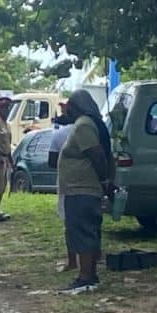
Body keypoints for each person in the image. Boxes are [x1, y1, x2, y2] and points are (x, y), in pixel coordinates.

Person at [57, 90, 114, 294]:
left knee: (82, 232)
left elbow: (97, 154)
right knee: (85, 231)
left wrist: (104, 180)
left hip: (82, 189)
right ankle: (88, 274)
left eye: (69, 106)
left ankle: (86, 276)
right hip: (80, 188)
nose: (67, 111)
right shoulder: (90, 124)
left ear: (77, 107)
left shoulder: (83, 125)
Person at [48, 108, 76, 272]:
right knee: (91, 221)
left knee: (69, 221)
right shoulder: (91, 129)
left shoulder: (58, 135)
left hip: (66, 180)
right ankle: (94, 256)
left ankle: (72, 260)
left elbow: (51, 162)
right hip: (89, 180)